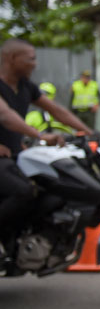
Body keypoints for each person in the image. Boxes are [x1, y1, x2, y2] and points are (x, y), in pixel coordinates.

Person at [0, 39, 92, 255]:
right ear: (12, 59)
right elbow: (5, 115)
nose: (35, 64)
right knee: (23, 192)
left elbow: (57, 110)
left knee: (51, 189)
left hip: (14, 156)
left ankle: (24, 243)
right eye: (30, 59)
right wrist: (40, 135)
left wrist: (88, 132)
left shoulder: (26, 86)